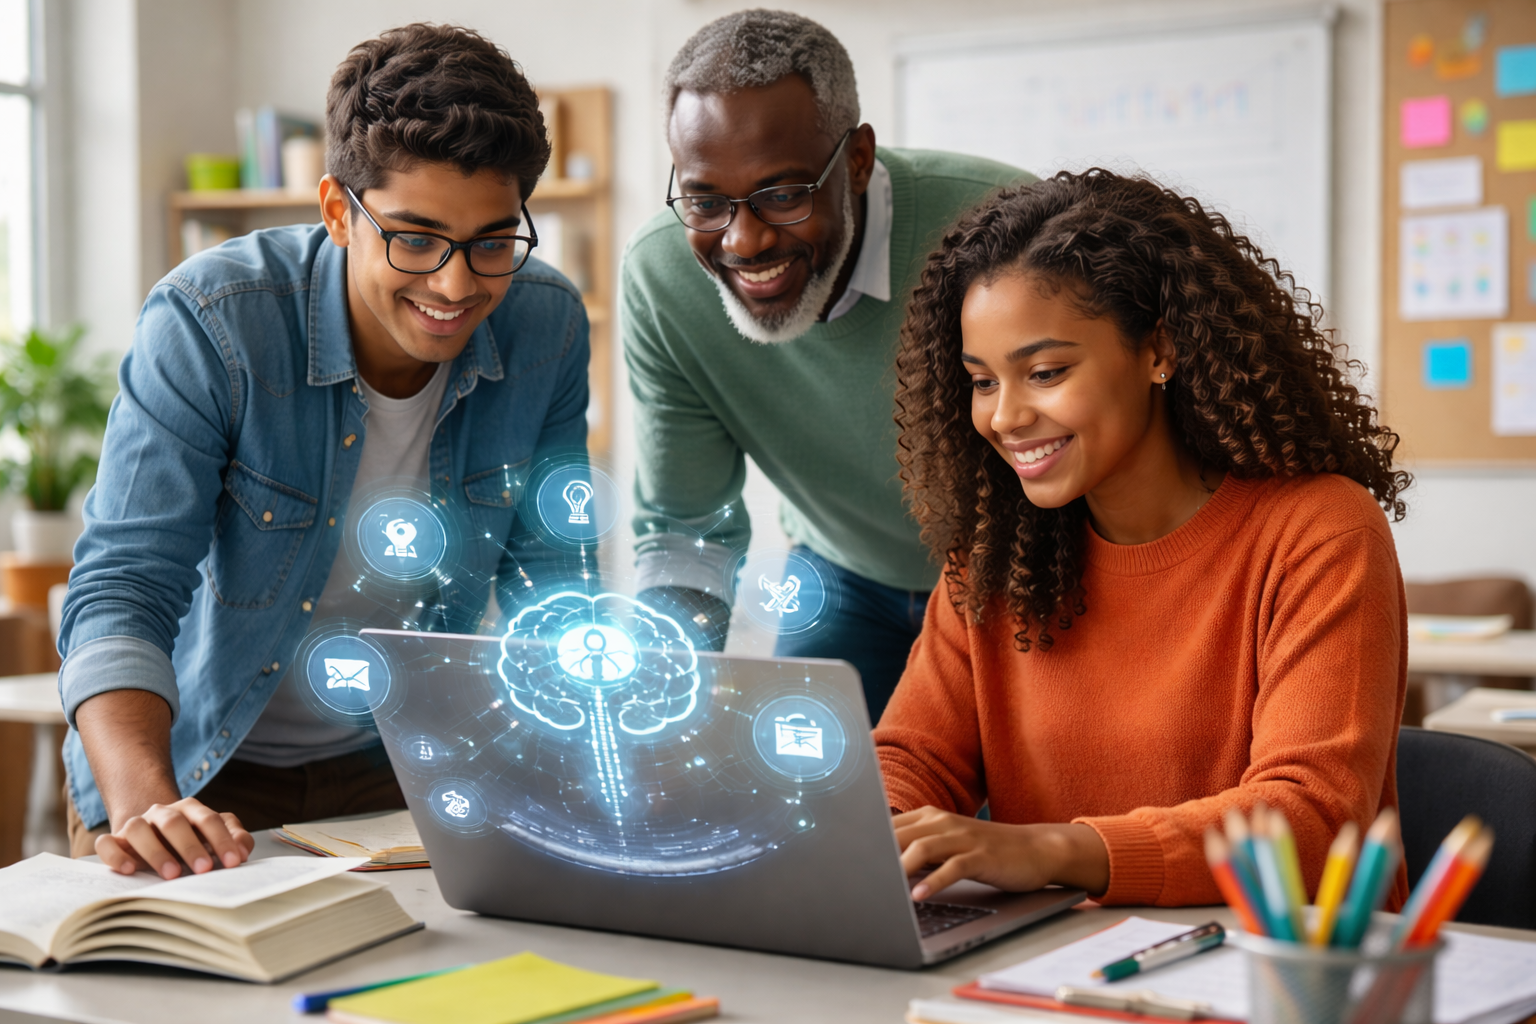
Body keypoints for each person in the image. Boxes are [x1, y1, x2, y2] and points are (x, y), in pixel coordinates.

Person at [57, 24, 588, 877]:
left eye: (492, 242)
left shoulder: (546, 323)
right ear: (340, 212)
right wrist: (147, 803)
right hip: (195, 772)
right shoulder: (212, 321)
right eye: (415, 238)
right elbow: (124, 586)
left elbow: (550, 577)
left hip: (401, 774)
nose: (456, 286)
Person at [875, 171, 1412, 908]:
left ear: (1159, 351)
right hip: (1058, 969)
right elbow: (911, 758)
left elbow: (1312, 816)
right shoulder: (997, 553)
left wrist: (1051, 850)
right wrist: (877, 831)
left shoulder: (1319, 530)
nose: (1004, 417)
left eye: (1045, 372)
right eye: (982, 381)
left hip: (1279, 973)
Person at [623, 10, 1031, 721]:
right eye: (705, 201)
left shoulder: (1004, 229)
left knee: (994, 820)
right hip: (844, 571)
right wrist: (660, 703)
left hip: (1017, 573)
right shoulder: (662, 278)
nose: (743, 241)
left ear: (859, 160)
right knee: (808, 803)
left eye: (782, 194)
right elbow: (687, 534)